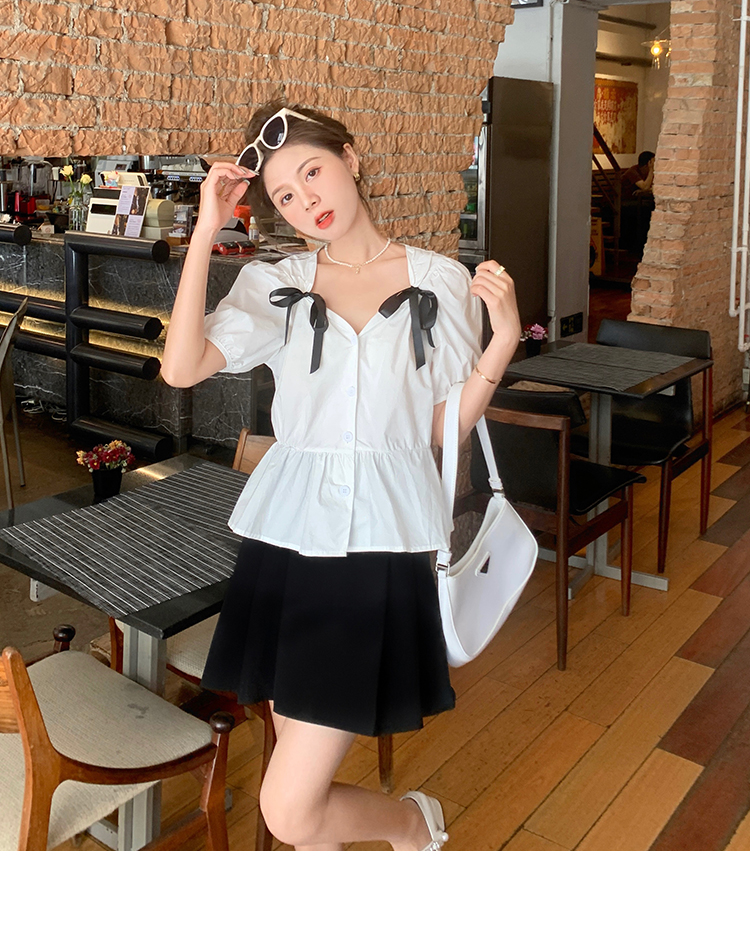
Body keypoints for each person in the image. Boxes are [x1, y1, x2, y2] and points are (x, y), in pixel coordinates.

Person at [161, 101, 521, 851]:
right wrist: (205, 231)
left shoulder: (439, 279)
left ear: (350, 159)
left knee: (289, 808)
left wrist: (504, 341)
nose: (307, 200)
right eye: (285, 194)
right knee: (300, 792)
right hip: (285, 542)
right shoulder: (278, 282)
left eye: (313, 172)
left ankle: (412, 824)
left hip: (379, 546)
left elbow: (440, 429)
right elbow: (181, 366)